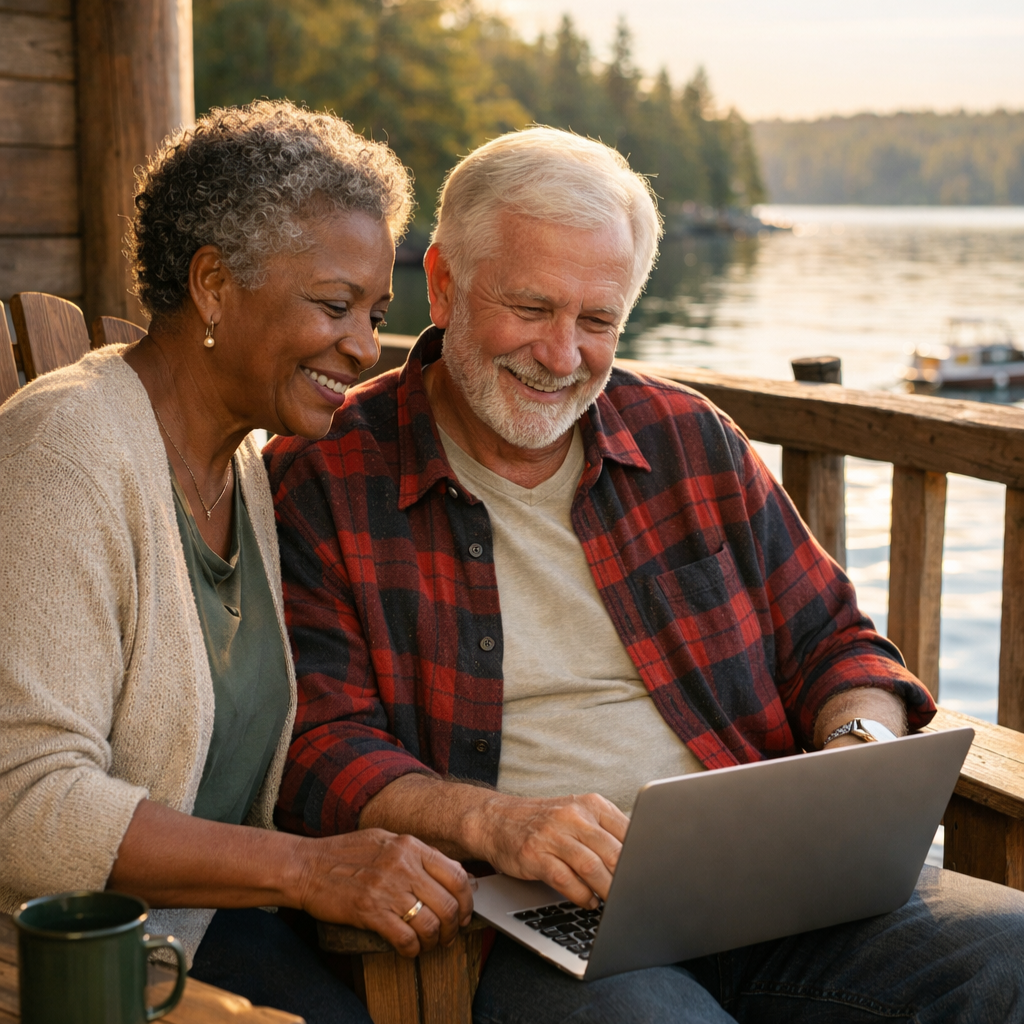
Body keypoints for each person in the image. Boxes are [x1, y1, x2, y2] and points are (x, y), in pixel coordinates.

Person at [266, 126, 1024, 1023]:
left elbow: (837, 641)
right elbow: (315, 745)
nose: (560, 356)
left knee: (1011, 954)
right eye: (531, 308)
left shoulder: (687, 438)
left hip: (770, 889)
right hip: (525, 924)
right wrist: (496, 823)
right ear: (442, 283)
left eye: (597, 322)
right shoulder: (321, 476)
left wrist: (857, 753)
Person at [0, 100, 474, 1024]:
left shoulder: (243, 463)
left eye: (374, 313)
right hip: (64, 963)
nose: (365, 346)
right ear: (214, 284)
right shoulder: (65, 454)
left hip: (203, 929)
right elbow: (27, 806)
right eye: (334, 306)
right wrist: (308, 870)